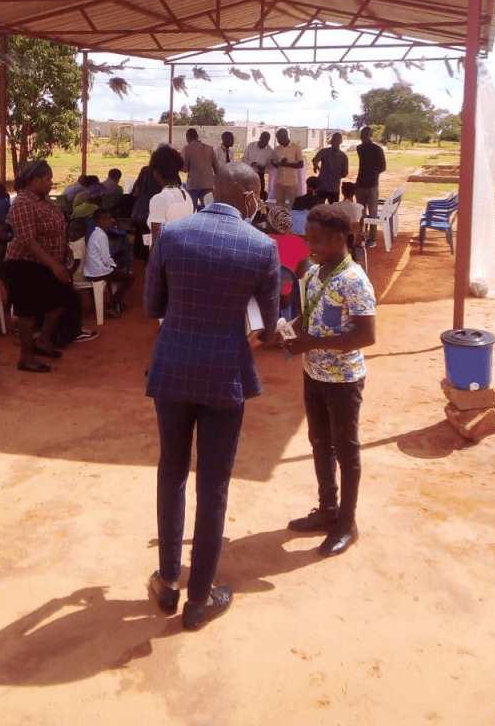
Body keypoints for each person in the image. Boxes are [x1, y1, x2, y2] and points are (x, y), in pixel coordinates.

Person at [144, 164, 280, 631]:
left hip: (174, 367)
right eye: (258, 197)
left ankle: (167, 581)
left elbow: (152, 305)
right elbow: (268, 324)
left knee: (172, 470)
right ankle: (199, 599)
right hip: (225, 375)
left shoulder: (173, 234)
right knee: (214, 484)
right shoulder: (262, 246)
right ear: (249, 196)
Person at [282, 204, 376, 557]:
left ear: (340, 238)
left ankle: (347, 523)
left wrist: (311, 343)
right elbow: (307, 317)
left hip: (343, 380)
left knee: (346, 450)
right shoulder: (315, 272)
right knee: (320, 443)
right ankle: (327, 509)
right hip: (314, 374)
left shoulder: (354, 280)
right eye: (308, 239)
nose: (310, 246)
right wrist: (289, 332)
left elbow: (366, 336)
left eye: (317, 241)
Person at [3, 160, 92, 374]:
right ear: (34, 180)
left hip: (48, 262)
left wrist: (64, 247)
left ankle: (43, 340)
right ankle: (26, 357)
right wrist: (55, 266)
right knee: (27, 310)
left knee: (64, 297)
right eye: (48, 179)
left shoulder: (45, 201)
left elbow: (57, 227)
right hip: (24, 264)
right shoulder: (23, 203)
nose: (51, 183)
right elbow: (28, 240)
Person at [85, 207, 134, 317]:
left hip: (93, 270)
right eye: (108, 219)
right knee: (130, 278)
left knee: (117, 273)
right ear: (100, 220)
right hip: (99, 272)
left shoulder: (96, 233)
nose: (111, 221)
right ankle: (113, 303)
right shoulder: (101, 236)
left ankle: (113, 302)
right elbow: (106, 258)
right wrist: (114, 266)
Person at [147, 144, 193, 247]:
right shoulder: (186, 195)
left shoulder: (159, 200)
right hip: (182, 252)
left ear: (157, 173)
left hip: (166, 255)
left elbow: (156, 243)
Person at [354, 126, 386, 247]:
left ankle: (372, 238)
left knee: (372, 213)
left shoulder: (377, 149)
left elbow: (383, 167)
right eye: (362, 135)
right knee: (361, 214)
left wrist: (372, 174)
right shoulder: (359, 148)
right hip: (360, 184)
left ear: (370, 136)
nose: (364, 138)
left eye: (366, 135)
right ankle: (363, 235)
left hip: (372, 185)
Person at [181, 127, 219, 210]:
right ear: (197, 136)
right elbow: (217, 169)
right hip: (208, 185)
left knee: (191, 209)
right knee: (208, 209)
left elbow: (184, 169)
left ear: (187, 138)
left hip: (193, 185)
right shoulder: (210, 148)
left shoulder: (187, 149)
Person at [270, 127, 304, 209]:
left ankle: (292, 218)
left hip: (292, 183)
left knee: (294, 205)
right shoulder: (277, 149)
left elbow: (301, 164)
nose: (278, 141)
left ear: (285, 137)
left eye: (279, 138)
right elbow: (276, 165)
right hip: (279, 183)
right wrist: (274, 163)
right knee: (279, 206)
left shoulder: (296, 147)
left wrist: (287, 164)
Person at [312, 133, 349, 204]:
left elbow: (345, 173)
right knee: (319, 208)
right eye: (334, 140)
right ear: (331, 141)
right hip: (322, 186)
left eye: (337, 140)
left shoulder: (344, 156)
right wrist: (316, 165)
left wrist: (335, 175)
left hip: (334, 187)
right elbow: (315, 160)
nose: (335, 142)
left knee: (333, 209)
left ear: (340, 142)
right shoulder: (323, 151)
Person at [242, 130, 274, 198]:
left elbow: (270, 167)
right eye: (263, 140)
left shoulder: (270, 151)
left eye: (267, 141)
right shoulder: (251, 146)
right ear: (260, 138)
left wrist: (264, 169)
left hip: (260, 175)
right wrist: (251, 164)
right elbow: (244, 159)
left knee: (259, 195)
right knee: (247, 194)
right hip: (248, 174)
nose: (265, 142)